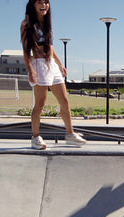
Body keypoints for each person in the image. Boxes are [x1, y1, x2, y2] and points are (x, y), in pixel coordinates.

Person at [21, 0, 86, 150]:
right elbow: (25, 50)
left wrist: (60, 64)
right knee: (40, 104)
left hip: (52, 65)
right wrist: (31, 70)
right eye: (40, 2)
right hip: (38, 64)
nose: (44, 5)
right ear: (33, 5)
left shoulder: (47, 23)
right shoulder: (27, 24)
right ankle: (35, 137)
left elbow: (50, 45)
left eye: (46, 2)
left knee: (65, 101)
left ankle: (70, 134)